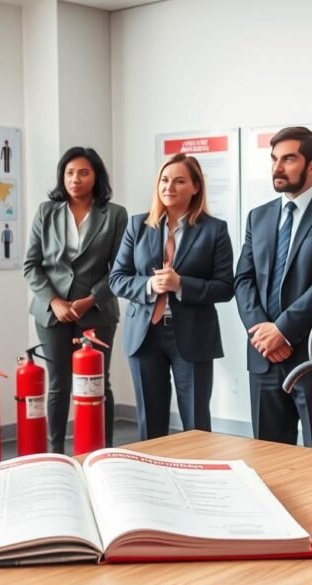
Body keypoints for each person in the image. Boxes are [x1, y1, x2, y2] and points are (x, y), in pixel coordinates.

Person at [235, 126, 312, 447]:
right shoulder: (258, 217)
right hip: (263, 354)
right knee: (267, 451)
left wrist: (283, 330)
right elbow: (244, 279)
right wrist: (263, 333)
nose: (277, 168)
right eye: (274, 159)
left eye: (288, 159)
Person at [109, 154, 234, 440]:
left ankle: (196, 479)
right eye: (164, 180)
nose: (170, 187)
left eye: (179, 181)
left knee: (195, 423)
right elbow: (116, 279)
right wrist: (150, 285)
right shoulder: (137, 225)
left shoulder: (214, 230)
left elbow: (226, 287)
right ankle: (153, 479)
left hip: (192, 335)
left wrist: (181, 284)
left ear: (195, 187)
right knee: (150, 425)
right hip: (144, 334)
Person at [23, 146, 128, 453]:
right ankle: (56, 453)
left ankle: (101, 450)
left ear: (96, 176)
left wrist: (89, 299)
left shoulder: (115, 214)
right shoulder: (47, 211)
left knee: (97, 383)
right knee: (58, 385)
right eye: (69, 173)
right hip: (51, 313)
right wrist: (54, 301)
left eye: (83, 173)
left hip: (97, 312)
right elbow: (32, 265)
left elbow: (121, 268)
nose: (75, 179)